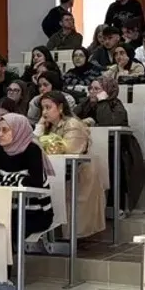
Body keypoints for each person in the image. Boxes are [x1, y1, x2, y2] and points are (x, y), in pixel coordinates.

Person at [35, 91, 105, 238]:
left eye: (48, 107)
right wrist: (40, 127)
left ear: (60, 108)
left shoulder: (73, 124)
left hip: (79, 174)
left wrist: (42, 142)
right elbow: (35, 149)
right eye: (42, 108)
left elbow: (66, 151)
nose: (44, 112)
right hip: (60, 172)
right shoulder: (49, 126)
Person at [0, 112, 54, 238]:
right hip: (9, 211)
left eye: (5, 130)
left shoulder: (32, 150)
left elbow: (35, 183)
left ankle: (11, 252)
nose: (0, 134)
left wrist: (5, 180)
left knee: (10, 228)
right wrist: (19, 179)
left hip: (36, 213)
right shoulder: (1, 152)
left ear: (18, 130)